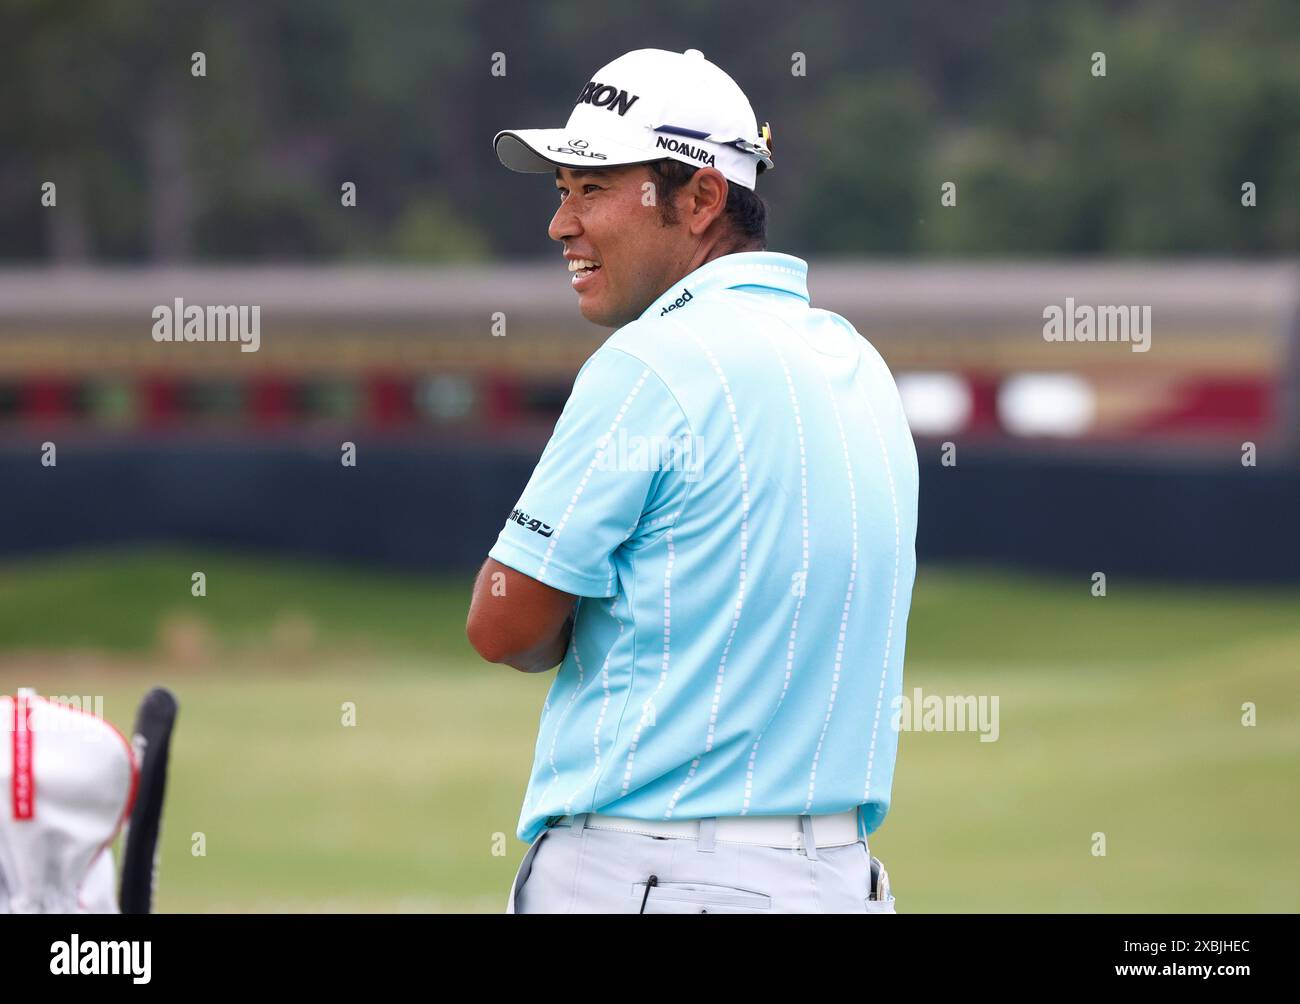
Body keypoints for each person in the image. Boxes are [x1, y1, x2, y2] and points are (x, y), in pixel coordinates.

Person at [467, 47, 919, 913]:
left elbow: (502, 622)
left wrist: (579, 614)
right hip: (841, 880)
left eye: (593, 188)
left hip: (651, 876)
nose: (562, 224)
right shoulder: (859, 364)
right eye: (562, 190)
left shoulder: (646, 362)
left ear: (703, 197)